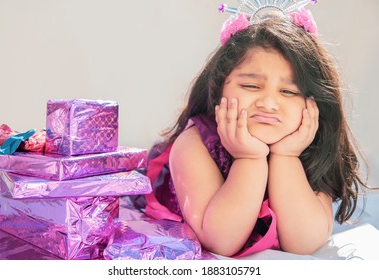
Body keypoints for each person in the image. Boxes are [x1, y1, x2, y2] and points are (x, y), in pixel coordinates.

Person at [135, 2, 369, 257]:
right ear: (218, 89)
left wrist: (287, 157)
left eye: (289, 91)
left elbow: (304, 243)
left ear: (314, 104)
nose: (268, 103)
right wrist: (250, 159)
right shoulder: (194, 144)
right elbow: (221, 241)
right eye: (251, 87)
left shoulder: (313, 146)